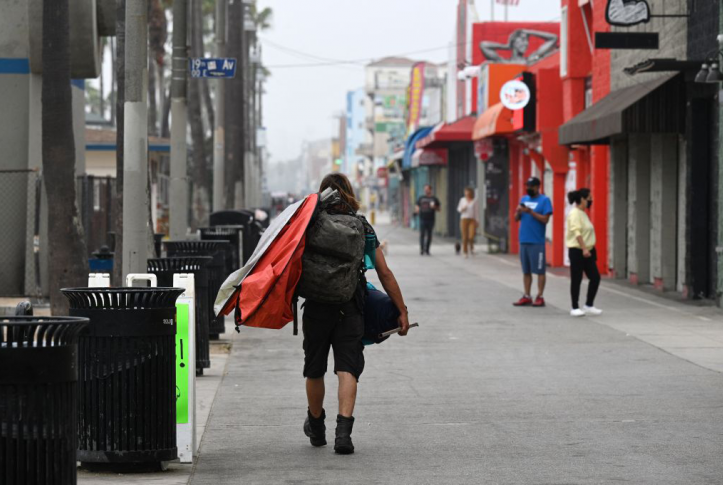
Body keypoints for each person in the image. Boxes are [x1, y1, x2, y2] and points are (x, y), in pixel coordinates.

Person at [303, 173, 410, 455]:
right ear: (349, 193)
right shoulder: (362, 227)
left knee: (315, 368)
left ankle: (316, 427)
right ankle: (343, 434)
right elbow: (384, 272)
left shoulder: (309, 223)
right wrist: (402, 310)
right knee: (347, 367)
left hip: (316, 305)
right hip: (351, 305)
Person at [513, 177, 552, 307]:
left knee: (540, 270)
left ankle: (540, 296)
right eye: (527, 186)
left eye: (531, 186)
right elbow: (515, 218)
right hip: (524, 240)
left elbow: (545, 219)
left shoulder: (544, 200)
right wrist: (518, 212)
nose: (528, 188)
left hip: (537, 242)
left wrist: (530, 212)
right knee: (526, 271)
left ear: (537, 187)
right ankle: (527, 295)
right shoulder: (523, 199)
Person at [565, 188, 602, 317]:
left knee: (595, 277)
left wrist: (588, 249)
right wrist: (584, 248)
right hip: (578, 251)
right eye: (589, 198)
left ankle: (588, 305)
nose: (591, 200)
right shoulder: (575, 213)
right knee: (577, 279)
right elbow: (577, 232)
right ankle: (574, 307)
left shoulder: (583, 213)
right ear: (582, 199)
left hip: (589, 251)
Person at [415, 184, 441, 255]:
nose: (426, 190)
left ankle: (427, 249)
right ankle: (422, 249)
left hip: (431, 219)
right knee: (422, 234)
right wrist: (416, 210)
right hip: (422, 219)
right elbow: (417, 205)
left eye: (427, 189)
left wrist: (434, 207)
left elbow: (439, 209)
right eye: (425, 189)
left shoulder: (434, 199)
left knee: (429, 235)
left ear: (430, 190)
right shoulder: (421, 198)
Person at [457, 187, 479, 258]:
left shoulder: (474, 201)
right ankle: (465, 251)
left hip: (472, 219)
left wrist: (477, 220)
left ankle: (472, 248)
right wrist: (463, 208)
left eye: (467, 191)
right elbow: (459, 209)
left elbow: (476, 211)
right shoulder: (462, 200)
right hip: (464, 219)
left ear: (471, 192)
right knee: (465, 236)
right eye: (465, 191)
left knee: (471, 236)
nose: (466, 193)